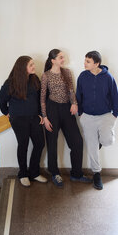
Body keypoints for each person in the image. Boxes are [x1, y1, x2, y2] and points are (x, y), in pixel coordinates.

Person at [41, 49, 92, 187]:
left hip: (67, 109)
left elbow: (71, 90)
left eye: (63, 57)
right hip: (52, 109)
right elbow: (43, 99)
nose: (63, 59)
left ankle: (76, 174)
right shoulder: (45, 75)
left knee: (77, 142)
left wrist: (74, 103)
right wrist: (45, 117)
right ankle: (55, 173)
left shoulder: (67, 72)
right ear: (53, 60)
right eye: (60, 57)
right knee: (52, 143)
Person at [0, 56, 47, 187]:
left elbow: (39, 99)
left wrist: (41, 114)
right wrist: (6, 111)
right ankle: (23, 174)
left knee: (40, 143)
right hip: (18, 119)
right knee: (23, 145)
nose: (34, 67)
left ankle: (34, 173)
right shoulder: (11, 83)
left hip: (34, 118)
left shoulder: (34, 79)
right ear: (22, 67)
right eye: (31, 65)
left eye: (33, 64)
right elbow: (1, 98)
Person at [76, 50, 118, 190]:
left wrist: (115, 115)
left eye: (88, 61)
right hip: (87, 117)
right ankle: (96, 174)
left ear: (97, 63)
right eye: (85, 60)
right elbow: (78, 95)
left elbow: (115, 96)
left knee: (107, 140)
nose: (85, 63)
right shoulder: (83, 76)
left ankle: (101, 139)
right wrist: (80, 113)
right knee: (92, 147)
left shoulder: (108, 77)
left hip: (105, 116)